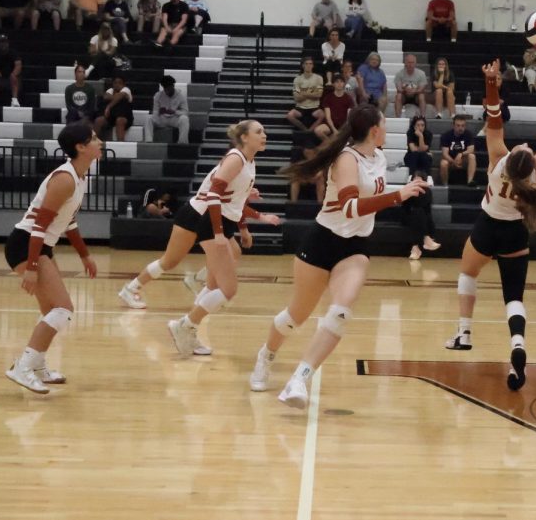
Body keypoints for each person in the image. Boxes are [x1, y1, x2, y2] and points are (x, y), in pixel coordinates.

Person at [249, 104, 428, 408]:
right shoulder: (346, 158)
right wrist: (399, 195)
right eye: (383, 124)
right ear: (374, 130)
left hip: (355, 246)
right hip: (323, 241)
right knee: (296, 316)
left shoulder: (380, 157)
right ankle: (266, 355)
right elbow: (350, 207)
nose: (386, 129)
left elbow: (370, 199)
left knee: (340, 312)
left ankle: (299, 379)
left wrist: (402, 192)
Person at [443, 60, 536, 391]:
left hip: (487, 225)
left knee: (469, 273)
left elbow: (493, 117)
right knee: (514, 297)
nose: (526, 144)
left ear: (511, 159)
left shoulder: (498, 160)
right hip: (515, 232)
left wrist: (491, 82)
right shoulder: (535, 172)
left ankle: (464, 333)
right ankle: (517, 344)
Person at [118, 120, 279, 314]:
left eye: (264, 131)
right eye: (259, 132)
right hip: (196, 213)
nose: (265, 135)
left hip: (211, 215)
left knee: (232, 253)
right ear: (244, 137)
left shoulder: (249, 162)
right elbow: (216, 196)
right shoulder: (235, 159)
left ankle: (201, 293)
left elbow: (234, 202)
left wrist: (246, 200)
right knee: (169, 261)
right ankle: (132, 288)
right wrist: (253, 219)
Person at [3, 123, 102, 394]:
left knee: (51, 311)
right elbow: (38, 226)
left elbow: (68, 222)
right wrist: (32, 267)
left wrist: (85, 255)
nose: (100, 142)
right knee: (63, 309)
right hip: (26, 244)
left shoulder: (80, 177)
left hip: (39, 245)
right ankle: (21, 367)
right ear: (80, 147)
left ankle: (38, 366)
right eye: (94, 139)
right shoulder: (65, 178)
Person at [403, 170, 440, 260]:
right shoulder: (408, 190)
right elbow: (406, 208)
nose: (417, 182)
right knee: (418, 212)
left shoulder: (427, 191)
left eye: (419, 180)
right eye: (415, 180)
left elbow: (427, 208)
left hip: (422, 217)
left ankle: (416, 248)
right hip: (407, 215)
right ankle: (426, 238)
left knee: (421, 213)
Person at [147, 75, 190, 143]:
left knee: (184, 119)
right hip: (162, 118)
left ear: (173, 86)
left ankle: (182, 143)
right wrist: (158, 112)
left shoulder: (181, 96)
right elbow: (155, 111)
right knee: (148, 119)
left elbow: (186, 112)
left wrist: (174, 112)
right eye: (165, 88)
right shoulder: (158, 95)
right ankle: (148, 141)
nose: (167, 91)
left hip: (174, 119)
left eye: (168, 88)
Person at [313, 73, 356, 140]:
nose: (339, 84)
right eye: (337, 82)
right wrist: (334, 130)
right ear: (333, 84)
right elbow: (328, 117)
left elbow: (349, 117)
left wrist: (343, 130)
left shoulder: (348, 98)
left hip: (343, 124)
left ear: (344, 83)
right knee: (318, 130)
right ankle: (330, 145)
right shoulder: (328, 98)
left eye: (341, 82)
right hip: (330, 124)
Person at [286, 56, 324, 131]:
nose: (308, 66)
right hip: (301, 107)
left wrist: (303, 93)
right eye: (306, 64)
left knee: (322, 115)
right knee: (289, 115)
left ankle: (310, 131)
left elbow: (319, 95)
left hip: (314, 107)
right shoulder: (297, 79)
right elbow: (297, 98)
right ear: (303, 65)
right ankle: (304, 130)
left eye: (310, 64)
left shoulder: (318, 78)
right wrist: (312, 93)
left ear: (313, 65)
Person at [439, 116, 477, 186]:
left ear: (465, 126)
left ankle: (470, 181)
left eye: (463, 126)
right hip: (450, 161)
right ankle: (445, 185)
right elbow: (445, 154)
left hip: (463, 160)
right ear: (453, 126)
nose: (460, 128)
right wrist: (454, 162)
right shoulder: (446, 135)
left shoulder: (468, 134)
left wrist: (461, 154)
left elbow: (471, 150)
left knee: (472, 156)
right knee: (443, 163)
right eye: (458, 125)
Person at [94, 74, 133, 141]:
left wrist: (108, 106)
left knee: (119, 120)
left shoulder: (126, 90)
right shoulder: (110, 90)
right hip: (111, 116)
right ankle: (92, 142)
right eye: (115, 83)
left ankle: (120, 145)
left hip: (125, 116)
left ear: (123, 84)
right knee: (99, 120)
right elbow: (105, 97)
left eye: (119, 83)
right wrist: (117, 97)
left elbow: (121, 95)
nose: (117, 85)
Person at [393, 53, 428, 118]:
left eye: (412, 62)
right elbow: (398, 89)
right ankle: (398, 117)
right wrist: (405, 90)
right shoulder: (399, 74)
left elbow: (422, 89)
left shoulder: (421, 73)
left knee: (422, 96)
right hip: (404, 95)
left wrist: (414, 91)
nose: (410, 64)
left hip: (416, 96)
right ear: (405, 63)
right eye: (409, 62)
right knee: (398, 96)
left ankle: (423, 117)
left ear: (415, 63)